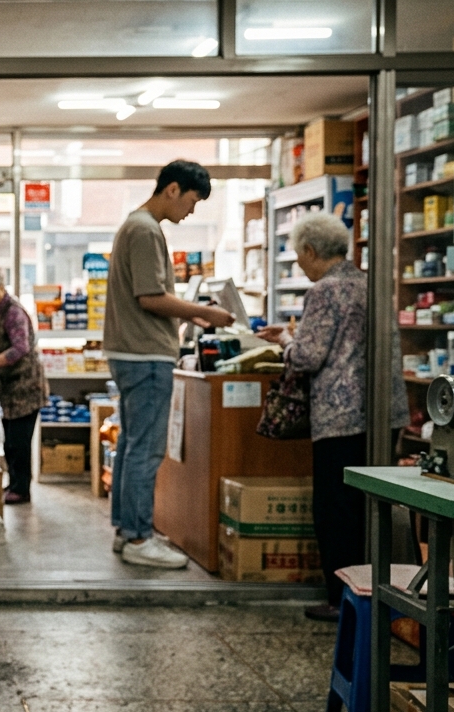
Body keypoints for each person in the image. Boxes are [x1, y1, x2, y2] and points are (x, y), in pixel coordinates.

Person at [256, 212, 408, 621]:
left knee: (335, 510)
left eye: (298, 256)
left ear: (310, 251)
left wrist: (286, 339)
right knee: (365, 508)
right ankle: (371, 595)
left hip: (341, 417)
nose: (299, 265)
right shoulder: (368, 284)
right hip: (382, 413)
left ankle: (342, 600)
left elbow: (307, 357)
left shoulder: (325, 290)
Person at [103, 160, 235, 569]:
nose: (191, 212)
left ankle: (128, 530)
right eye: (193, 201)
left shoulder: (135, 225)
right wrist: (207, 314)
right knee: (146, 448)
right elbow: (150, 297)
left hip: (131, 352)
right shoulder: (145, 229)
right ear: (173, 189)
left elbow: (150, 298)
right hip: (145, 356)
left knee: (131, 444)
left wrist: (190, 315)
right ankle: (140, 537)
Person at [0, 261, 47, 504]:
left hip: (26, 387)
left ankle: (21, 489)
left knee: (20, 441)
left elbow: (20, 349)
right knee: (11, 442)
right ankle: (13, 484)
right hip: (9, 388)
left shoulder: (14, 312)